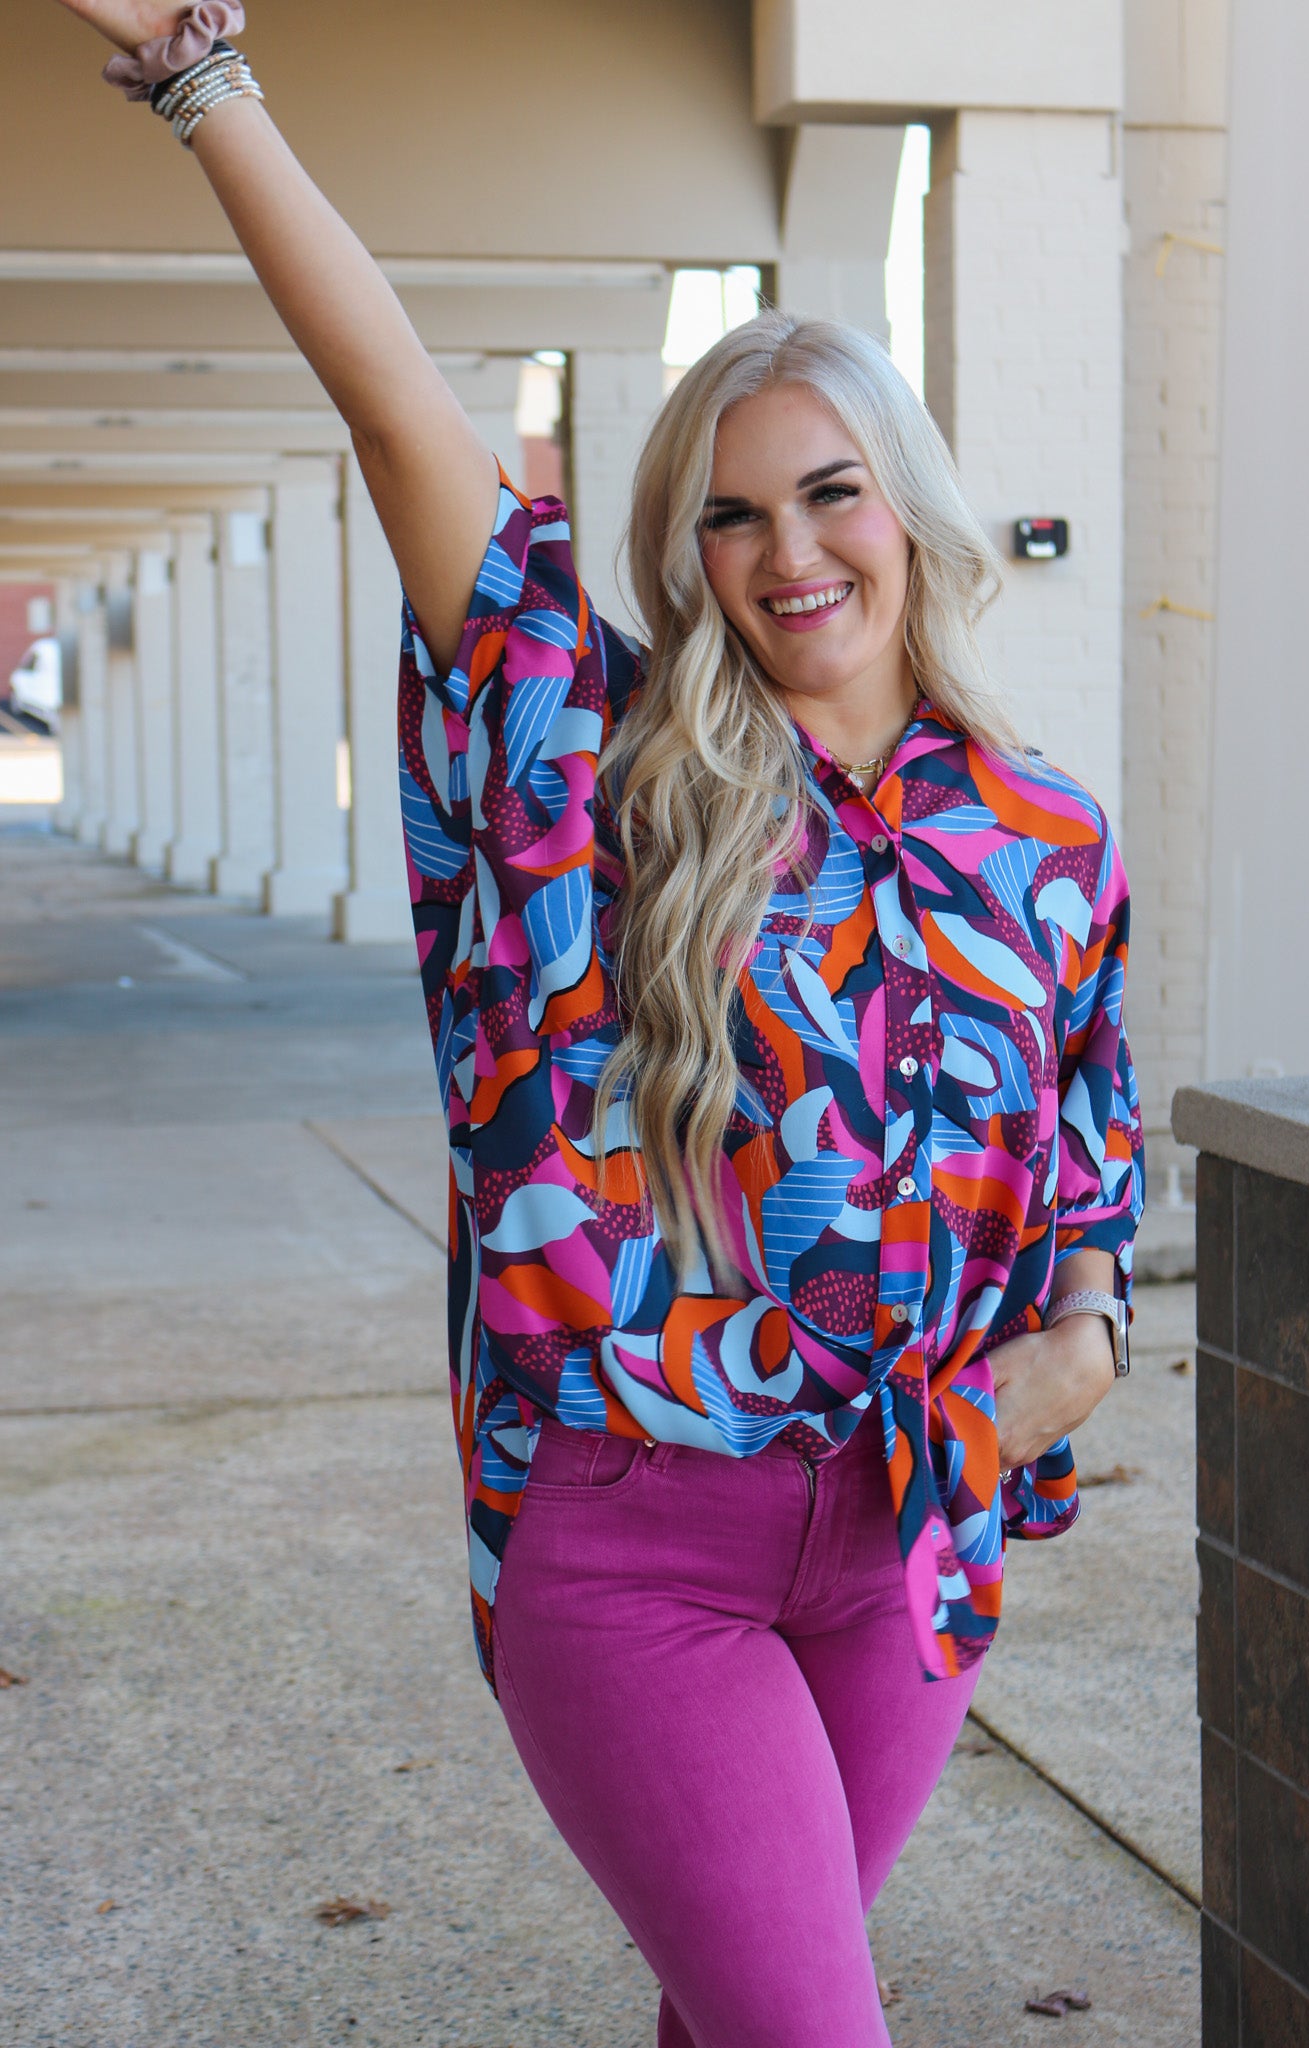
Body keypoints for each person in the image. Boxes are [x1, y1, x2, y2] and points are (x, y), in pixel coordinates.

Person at [56, 8, 1145, 2043]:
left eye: (826, 493)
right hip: (642, 1544)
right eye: (729, 516)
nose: (785, 552)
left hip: (913, 1535)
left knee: (734, 2016)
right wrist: (209, 84)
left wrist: (1075, 1347)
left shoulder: (1046, 837)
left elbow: (1084, 1162)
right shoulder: (604, 755)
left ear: (907, 506)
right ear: (687, 551)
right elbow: (404, 421)